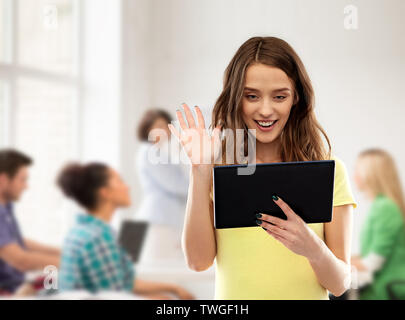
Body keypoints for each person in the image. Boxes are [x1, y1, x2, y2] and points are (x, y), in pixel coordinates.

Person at [169, 36, 358, 299]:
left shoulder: (330, 172)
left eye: (279, 96)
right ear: (236, 98)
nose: (266, 110)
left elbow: (340, 283)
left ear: (296, 99)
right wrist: (200, 171)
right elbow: (198, 262)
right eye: (252, 96)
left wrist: (312, 248)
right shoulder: (219, 172)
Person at [57, 162, 194, 299]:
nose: (127, 187)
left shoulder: (82, 231)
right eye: (119, 181)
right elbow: (115, 294)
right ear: (105, 192)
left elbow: (123, 283)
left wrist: (172, 288)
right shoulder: (98, 238)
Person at [0, 149, 60, 295]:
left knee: (63, 282)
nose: (26, 186)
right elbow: (21, 261)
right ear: (3, 179)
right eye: (22, 180)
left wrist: (65, 252)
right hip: (9, 291)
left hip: (19, 285)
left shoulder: (6, 208)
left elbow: (18, 243)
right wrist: (73, 263)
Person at [135, 109, 190, 263]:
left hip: (164, 219)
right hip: (159, 220)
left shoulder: (160, 152)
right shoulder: (150, 151)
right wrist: (203, 186)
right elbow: (176, 184)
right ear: (147, 128)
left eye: (166, 125)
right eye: (159, 125)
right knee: (161, 269)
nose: (165, 129)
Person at [351, 148, 405, 299]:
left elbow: (372, 262)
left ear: (371, 174)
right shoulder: (381, 205)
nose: (354, 176)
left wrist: (334, 262)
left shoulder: (385, 207)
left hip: (387, 291)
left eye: (357, 170)